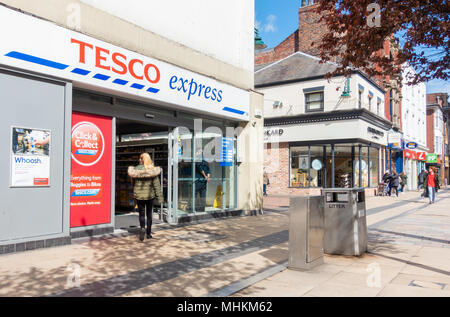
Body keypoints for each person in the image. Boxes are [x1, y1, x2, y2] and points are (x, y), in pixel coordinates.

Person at [128, 153, 163, 242]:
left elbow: (133, 182)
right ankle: (148, 234)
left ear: (142, 160)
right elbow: (156, 185)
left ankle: (142, 228)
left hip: (139, 196)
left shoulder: (136, 170)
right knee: (149, 214)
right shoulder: (152, 170)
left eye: (140, 158)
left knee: (142, 214)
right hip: (150, 196)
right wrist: (160, 197)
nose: (139, 160)